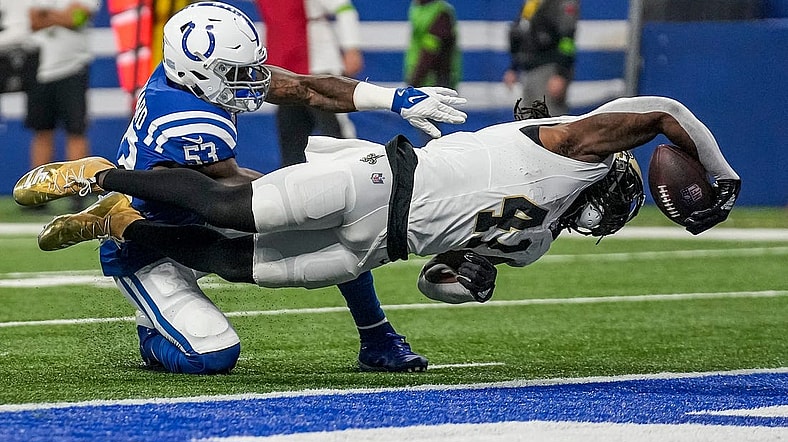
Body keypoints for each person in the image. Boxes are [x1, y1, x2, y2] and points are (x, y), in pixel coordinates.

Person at [15, 1, 468, 375]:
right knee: (213, 355)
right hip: (153, 238)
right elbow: (231, 199)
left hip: (203, 208)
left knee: (331, 223)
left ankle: (377, 338)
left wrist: (394, 99)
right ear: (193, 71)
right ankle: (146, 316)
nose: (250, 79)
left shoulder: (192, 78)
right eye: (234, 71)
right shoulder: (189, 120)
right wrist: (330, 190)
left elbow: (306, 89)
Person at [17, 96, 741, 309]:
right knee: (235, 208)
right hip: (381, 180)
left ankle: (124, 228)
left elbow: (442, 278)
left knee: (236, 265)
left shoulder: (539, 242)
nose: (608, 218)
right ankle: (102, 175)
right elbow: (666, 108)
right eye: (617, 203)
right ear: (610, 178)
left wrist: (470, 279)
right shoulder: (568, 145)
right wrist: (719, 173)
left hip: (381, 246)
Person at [256, 0, 365, 167]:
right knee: (291, 138)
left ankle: (356, 173)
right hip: (286, 73)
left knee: (336, 133)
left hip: (319, 67)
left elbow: (345, 9)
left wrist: (351, 48)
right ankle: (293, 186)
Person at [25, 0, 100, 210]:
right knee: (42, 131)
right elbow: (33, 21)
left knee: (76, 131)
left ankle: (78, 190)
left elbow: (75, 19)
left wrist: (48, 14)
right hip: (40, 70)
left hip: (72, 69)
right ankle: (37, 193)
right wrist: (61, 16)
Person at [504, 0, 579, 116]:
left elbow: (567, 39)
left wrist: (561, 73)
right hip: (528, 71)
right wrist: (513, 67)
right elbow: (522, 34)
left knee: (549, 119)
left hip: (549, 70)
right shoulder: (531, 3)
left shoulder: (562, 3)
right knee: (525, 122)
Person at [404, 0, 461, 90]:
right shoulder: (418, 7)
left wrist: (414, 81)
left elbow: (430, 51)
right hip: (422, 81)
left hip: (435, 83)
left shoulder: (441, 13)